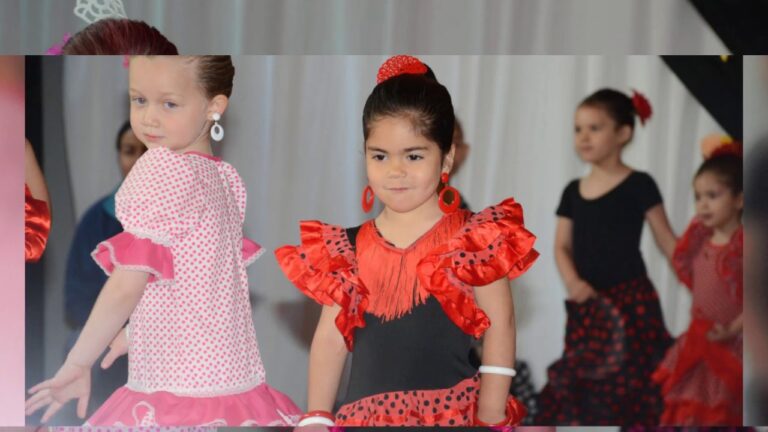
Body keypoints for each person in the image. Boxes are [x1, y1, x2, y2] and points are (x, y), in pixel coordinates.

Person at [25, 56, 301, 426]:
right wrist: (135, 330)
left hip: (175, 384)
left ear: (214, 106)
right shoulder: (224, 179)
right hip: (228, 380)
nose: (149, 117)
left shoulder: (161, 167)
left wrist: (78, 360)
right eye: (139, 100)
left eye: (168, 103)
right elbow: (197, 282)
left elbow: (128, 282)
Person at [276, 55, 538, 428]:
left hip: (451, 418)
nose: (395, 171)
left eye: (413, 156)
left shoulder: (477, 238)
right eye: (380, 156)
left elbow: (502, 325)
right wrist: (317, 415)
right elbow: (331, 339)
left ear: (445, 159)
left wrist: (492, 414)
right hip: (363, 421)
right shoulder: (344, 249)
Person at [536, 88, 675, 425]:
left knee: (639, 386)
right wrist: (572, 281)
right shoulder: (572, 191)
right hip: (590, 306)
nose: (583, 137)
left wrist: (708, 275)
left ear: (623, 134)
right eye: (578, 129)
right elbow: (561, 247)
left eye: (594, 128)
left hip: (633, 304)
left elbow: (668, 241)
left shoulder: (639, 184)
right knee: (586, 389)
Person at [652, 137, 743, 425]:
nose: (702, 205)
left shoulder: (746, 244)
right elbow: (687, 272)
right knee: (690, 412)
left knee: (723, 414)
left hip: (734, 344)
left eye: (712, 196)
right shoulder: (698, 240)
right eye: (698, 197)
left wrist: (733, 328)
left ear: (740, 199)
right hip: (698, 342)